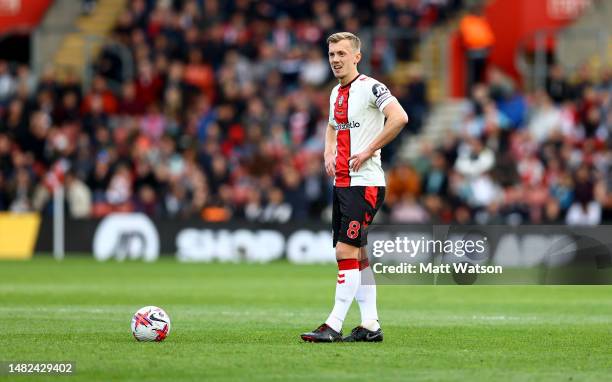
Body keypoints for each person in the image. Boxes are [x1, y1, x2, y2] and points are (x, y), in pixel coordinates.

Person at [300, 32, 408, 343]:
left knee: (343, 251)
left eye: (342, 54)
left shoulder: (371, 87)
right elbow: (332, 125)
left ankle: (333, 325)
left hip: (366, 183)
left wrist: (369, 149)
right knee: (358, 254)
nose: (335, 59)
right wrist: (327, 151)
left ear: (356, 57)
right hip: (344, 184)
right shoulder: (336, 93)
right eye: (332, 54)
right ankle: (371, 326)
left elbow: (399, 117)